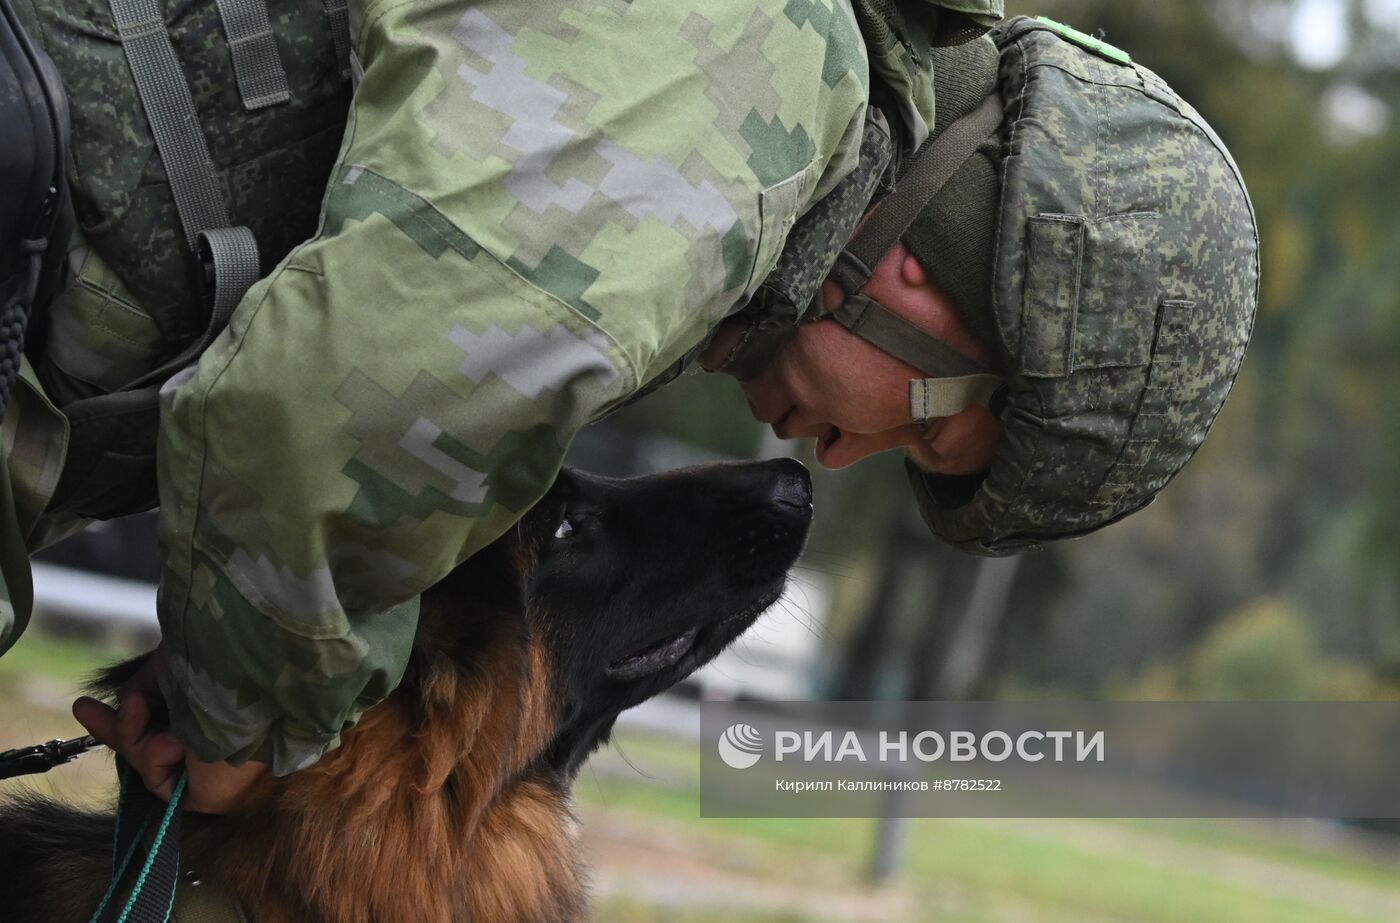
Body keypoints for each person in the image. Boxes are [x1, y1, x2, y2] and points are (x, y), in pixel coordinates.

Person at [0, 2, 1258, 817]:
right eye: (922, 426)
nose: (837, 452)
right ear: (933, 286)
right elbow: (320, 415)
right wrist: (242, 721)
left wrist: (240, 659)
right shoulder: (746, 92)